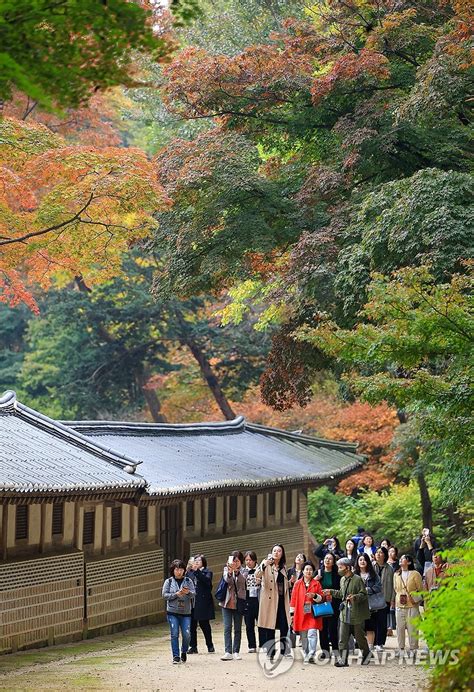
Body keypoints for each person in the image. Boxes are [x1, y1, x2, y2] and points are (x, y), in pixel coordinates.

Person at [324, 557, 371, 667]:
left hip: (356, 613)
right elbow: (342, 594)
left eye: (341, 567)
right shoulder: (342, 579)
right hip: (344, 613)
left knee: (360, 638)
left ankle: (366, 655)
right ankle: (343, 660)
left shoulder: (358, 579)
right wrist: (330, 592)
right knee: (342, 638)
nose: (339, 569)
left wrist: (355, 597)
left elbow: (364, 594)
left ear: (348, 567)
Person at [256, 544, 291, 658]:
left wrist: (291, 582)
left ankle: (284, 651)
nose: (276, 552)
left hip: (282, 600)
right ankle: (271, 652)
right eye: (274, 551)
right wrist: (264, 564)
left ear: (282, 554)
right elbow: (257, 574)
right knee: (269, 626)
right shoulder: (266, 564)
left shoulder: (283, 567)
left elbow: (283, 585)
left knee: (284, 625)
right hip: (270, 600)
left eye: (279, 551)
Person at [290, 561, 324, 663]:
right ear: (303, 571)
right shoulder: (297, 583)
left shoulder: (316, 583)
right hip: (300, 613)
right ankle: (306, 653)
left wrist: (314, 596)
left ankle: (312, 654)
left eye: (310, 570)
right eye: (306, 569)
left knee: (312, 633)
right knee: (303, 635)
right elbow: (293, 599)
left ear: (313, 572)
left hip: (313, 613)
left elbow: (321, 598)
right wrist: (292, 614)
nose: (308, 571)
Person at [162, 559, 196, 664]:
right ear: (173, 570)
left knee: (187, 634)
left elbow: (194, 593)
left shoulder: (188, 581)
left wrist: (187, 592)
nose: (179, 572)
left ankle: (184, 651)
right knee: (174, 633)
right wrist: (176, 594)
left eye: (181, 569)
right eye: (177, 569)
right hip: (172, 612)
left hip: (186, 612)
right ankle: (175, 656)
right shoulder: (169, 581)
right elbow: (164, 595)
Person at [393, 554, 424, 656]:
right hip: (399, 603)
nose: (400, 560)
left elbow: (420, 589)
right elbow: (395, 589)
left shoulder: (415, 574)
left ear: (409, 562)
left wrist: (415, 598)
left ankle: (413, 649)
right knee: (400, 627)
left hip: (412, 604)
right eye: (400, 558)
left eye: (403, 559)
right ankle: (401, 648)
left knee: (412, 627)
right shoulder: (396, 574)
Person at [219, 550, 246, 660]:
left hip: (239, 601)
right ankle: (228, 651)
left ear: (241, 561)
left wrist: (236, 572)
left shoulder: (244, 571)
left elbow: (242, 581)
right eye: (233, 560)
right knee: (227, 627)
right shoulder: (226, 569)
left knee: (238, 628)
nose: (235, 563)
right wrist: (230, 571)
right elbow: (227, 580)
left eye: (237, 560)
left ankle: (236, 651)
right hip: (227, 601)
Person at [187, 554, 215, 654]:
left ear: (203, 562)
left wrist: (197, 571)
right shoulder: (190, 573)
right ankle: (193, 646)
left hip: (203, 602)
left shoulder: (208, 572)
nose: (197, 562)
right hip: (192, 601)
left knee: (204, 625)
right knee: (192, 625)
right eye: (195, 560)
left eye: (199, 560)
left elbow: (207, 582)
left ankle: (210, 645)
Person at [354, 553, 383, 651]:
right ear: (357, 562)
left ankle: (370, 647)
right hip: (357, 604)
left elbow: (379, 587)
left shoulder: (373, 574)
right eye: (360, 560)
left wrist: (368, 590)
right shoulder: (354, 575)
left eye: (364, 560)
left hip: (370, 605)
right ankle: (363, 648)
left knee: (370, 626)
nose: (362, 562)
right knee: (359, 628)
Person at [315, 552, 341, 659]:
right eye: (326, 558)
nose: (327, 560)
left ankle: (335, 650)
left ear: (333, 562)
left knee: (333, 628)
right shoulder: (319, 573)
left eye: (330, 559)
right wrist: (315, 580)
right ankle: (325, 651)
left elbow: (340, 590)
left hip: (333, 604)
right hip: (321, 604)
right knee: (322, 629)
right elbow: (311, 586)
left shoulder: (337, 574)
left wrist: (331, 592)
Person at [373, 547, 394, 651]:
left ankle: (380, 642)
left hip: (385, 598)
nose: (378, 554)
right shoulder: (371, 566)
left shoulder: (389, 568)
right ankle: (372, 641)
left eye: (381, 552)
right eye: (377, 552)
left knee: (382, 621)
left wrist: (392, 599)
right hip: (372, 598)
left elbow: (393, 585)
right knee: (372, 620)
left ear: (385, 555)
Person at [242, 550, 261, 653]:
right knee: (249, 624)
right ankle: (252, 645)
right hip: (247, 600)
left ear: (255, 560)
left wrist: (260, 582)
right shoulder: (243, 571)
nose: (248, 562)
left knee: (261, 624)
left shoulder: (260, 570)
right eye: (246, 560)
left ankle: (263, 644)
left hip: (258, 600)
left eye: (250, 560)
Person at [386, 546, 399, 635]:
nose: (391, 553)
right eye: (389, 551)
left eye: (393, 551)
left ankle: (393, 626)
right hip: (386, 586)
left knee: (393, 606)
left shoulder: (398, 564)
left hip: (395, 585)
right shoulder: (384, 564)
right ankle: (388, 627)